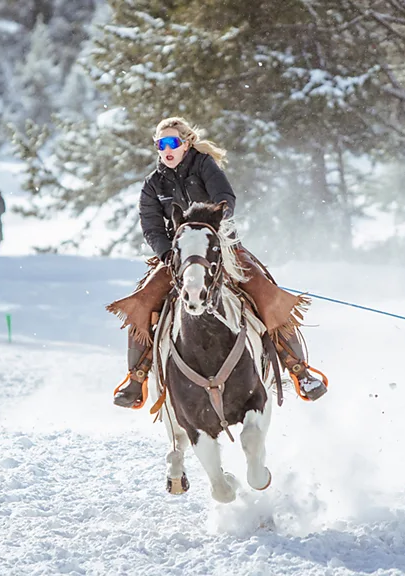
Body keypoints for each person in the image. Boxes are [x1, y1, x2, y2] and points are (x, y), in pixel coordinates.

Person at [108, 117, 328, 409]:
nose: (167, 149)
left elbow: (225, 198)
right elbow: (151, 227)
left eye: (173, 142)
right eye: (161, 144)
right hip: (179, 256)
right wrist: (168, 255)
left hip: (221, 246)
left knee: (263, 289)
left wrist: (211, 230)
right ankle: (137, 377)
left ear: (186, 144)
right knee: (143, 300)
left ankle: (299, 369)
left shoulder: (204, 165)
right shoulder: (153, 183)